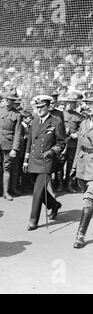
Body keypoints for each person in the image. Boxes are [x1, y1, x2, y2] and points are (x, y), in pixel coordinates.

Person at [23, 95, 66, 231]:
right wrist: (25, 160)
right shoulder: (35, 121)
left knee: (37, 192)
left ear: (48, 107)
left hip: (46, 161)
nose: (39, 109)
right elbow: (30, 142)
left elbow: (61, 142)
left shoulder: (56, 122)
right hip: (33, 161)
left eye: (42, 107)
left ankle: (33, 220)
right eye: (37, 107)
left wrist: (52, 151)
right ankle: (54, 205)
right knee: (40, 192)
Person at [70, 98, 93, 248]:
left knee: (88, 200)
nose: (88, 106)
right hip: (83, 164)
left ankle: (80, 235)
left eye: (92, 104)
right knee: (85, 194)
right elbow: (79, 145)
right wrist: (73, 166)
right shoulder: (84, 122)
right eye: (88, 104)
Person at [63, 92, 84, 192]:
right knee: (59, 165)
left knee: (71, 165)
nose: (71, 105)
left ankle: (69, 184)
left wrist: (76, 134)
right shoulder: (60, 114)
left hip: (73, 144)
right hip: (62, 144)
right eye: (69, 102)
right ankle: (59, 184)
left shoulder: (79, 116)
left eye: (73, 103)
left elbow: (82, 129)